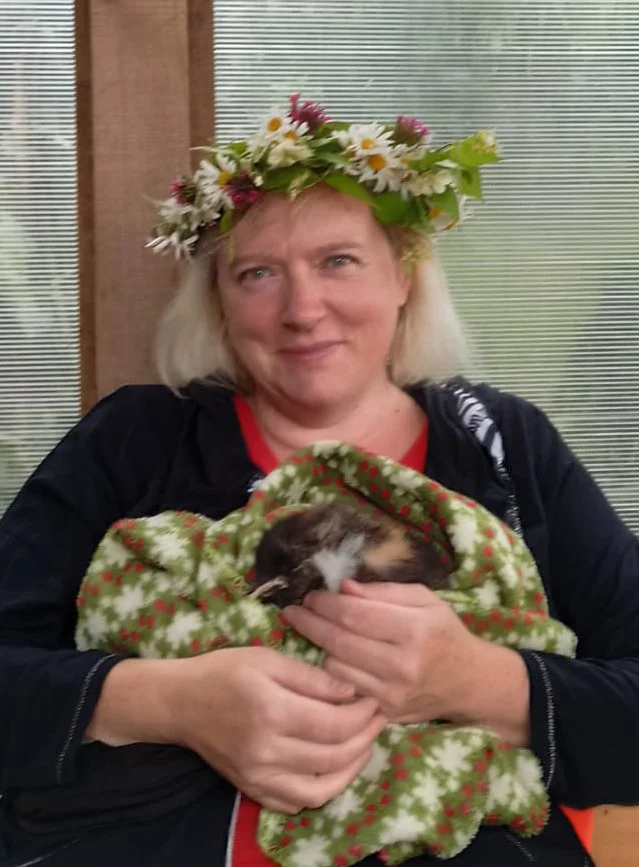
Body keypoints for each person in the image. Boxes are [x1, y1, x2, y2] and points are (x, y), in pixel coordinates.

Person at [0, 94, 637, 867]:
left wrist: (477, 679)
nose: (303, 309)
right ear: (221, 303)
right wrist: (171, 700)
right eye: (258, 273)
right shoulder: (135, 439)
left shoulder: (503, 446)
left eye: (338, 261)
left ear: (402, 277)